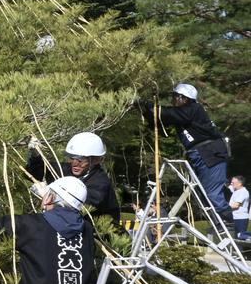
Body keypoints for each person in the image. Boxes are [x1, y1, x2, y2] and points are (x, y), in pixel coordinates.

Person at [140, 84, 231, 220]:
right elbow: (159, 121)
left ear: (184, 98)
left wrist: (147, 104)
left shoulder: (194, 109)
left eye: (175, 96)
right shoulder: (182, 114)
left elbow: (167, 113)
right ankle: (219, 225)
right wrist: (145, 110)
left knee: (212, 195)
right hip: (201, 154)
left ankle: (231, 227)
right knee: (202, 195)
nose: (173, 99)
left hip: (211, 153)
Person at [27, 132, 120, 220]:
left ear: (96, 160)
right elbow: (36, 172)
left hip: (98, 232)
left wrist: (48, 194)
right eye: (72, 158)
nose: (75, 164)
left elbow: (80, 204)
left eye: (81, 160)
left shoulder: (100, 182)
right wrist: (36, 155)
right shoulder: (67, 170)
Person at [230, 176, 250, 241]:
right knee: (237, 238)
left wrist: (223, 207)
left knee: (241, 236)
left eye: (233, 183)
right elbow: (228, 186)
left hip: (241, 218)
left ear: (239, 184)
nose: (231, 184)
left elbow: (236, 206)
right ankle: (238, 250)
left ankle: (241, 250)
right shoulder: (236, 190)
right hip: (235, 217)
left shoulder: (243, 192)